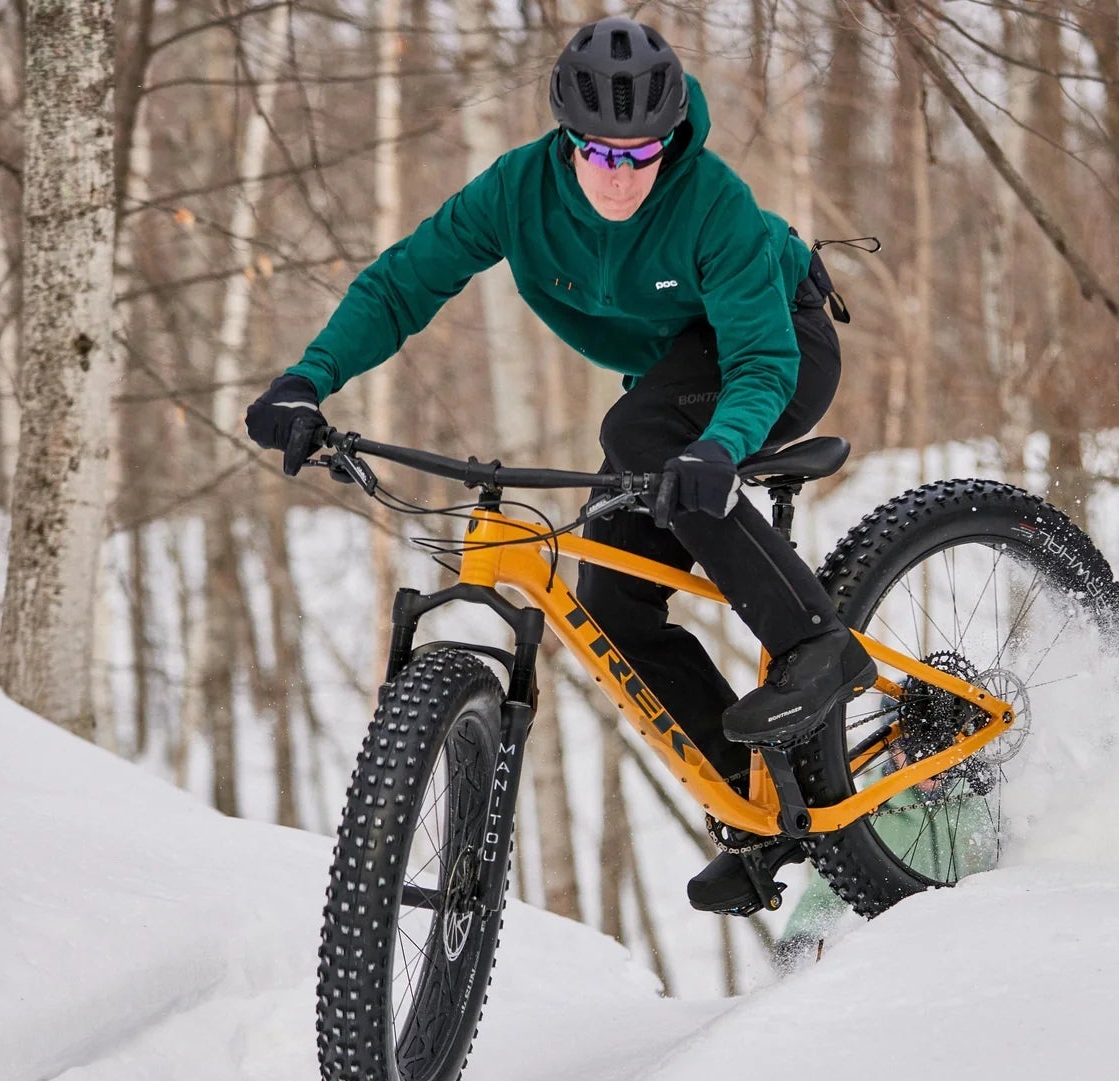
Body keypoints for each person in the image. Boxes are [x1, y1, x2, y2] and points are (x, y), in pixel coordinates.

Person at [244, 15, 874, 916]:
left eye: (644, 152)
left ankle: (819, 643)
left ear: (672, 138)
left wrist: (722, 448)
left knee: (641, 435)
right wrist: (308, 380)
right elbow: (401, 283)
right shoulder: (517, 191)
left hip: (778, 345)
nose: (623, 174)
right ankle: (765, 800)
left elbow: (762, 363)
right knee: (615, 598)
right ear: (566, 138)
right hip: (668, 388)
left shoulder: (710, 198)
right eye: (600, 153)